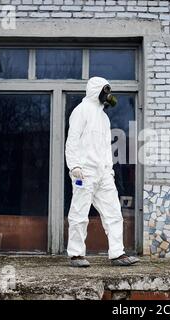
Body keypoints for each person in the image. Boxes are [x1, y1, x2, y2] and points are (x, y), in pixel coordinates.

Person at [65, 76, 140, 267]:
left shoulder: (104, 118)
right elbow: (72, 141)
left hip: (103, 174)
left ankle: (117, 253)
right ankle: (76, 255)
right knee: (79, 213)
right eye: (106, 91)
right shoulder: (80, 112)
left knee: (114, 213)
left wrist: (109, 170)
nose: (108, 96)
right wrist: (74, 166)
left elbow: (106, 148)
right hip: (85, 173)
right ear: (96, 91)